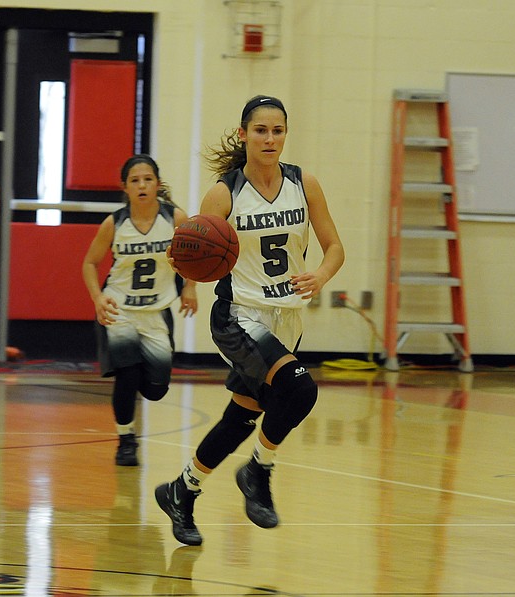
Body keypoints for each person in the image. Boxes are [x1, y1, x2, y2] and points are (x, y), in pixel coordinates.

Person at [155, 95, 345, 545]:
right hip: (239, 315)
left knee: (241, 417)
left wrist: (319, 274)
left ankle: (182, 490)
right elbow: (193, 249)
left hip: (286, 320)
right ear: (244, 135)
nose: (270, 138)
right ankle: (258, 470)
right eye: (261, 130)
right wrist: (180, 259)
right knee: (300, 388)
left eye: (278, 130)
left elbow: (334, 247)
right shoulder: (225, 192)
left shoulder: (305, 184)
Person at [82, 154, 198, 467]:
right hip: (119, 310)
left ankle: (134, 417)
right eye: (135, 180)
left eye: (147, 179)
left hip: (157, 312)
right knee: (128, 374)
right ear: (125, 187)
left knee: (156, 388)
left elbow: (193, 256)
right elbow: (90, 263)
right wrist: (97, 297)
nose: (142, 185)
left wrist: (189, 287)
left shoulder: (175, 218)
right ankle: (126, 440)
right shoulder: (115, 222)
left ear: (158, 185)